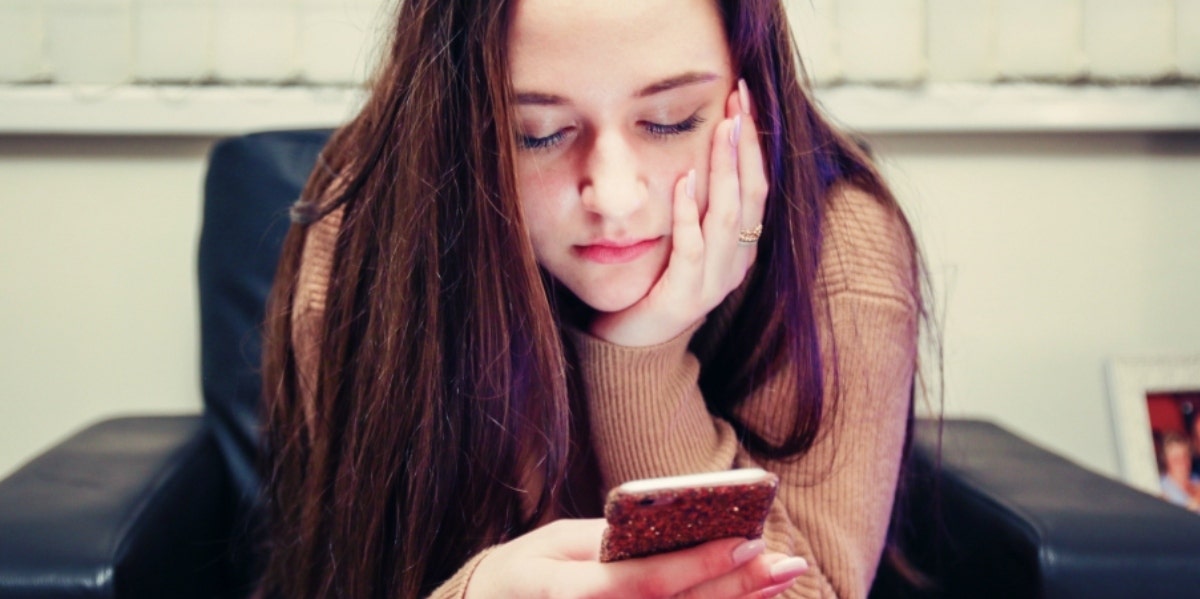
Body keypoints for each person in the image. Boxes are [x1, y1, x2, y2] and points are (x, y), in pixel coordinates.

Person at [259, 1, 927, 598]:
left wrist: (644, 353)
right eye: (538, 133)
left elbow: (804, 589)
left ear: (749, 91)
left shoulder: (838, 247)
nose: (614, 197)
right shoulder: (366, 245)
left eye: (670, 121)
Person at [1160, 433, 1200, 512]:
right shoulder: (1161, 490)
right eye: (1176, 459)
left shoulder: (1196, 479)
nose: (1182, 462)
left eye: (1185, 455)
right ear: (1165, 461)